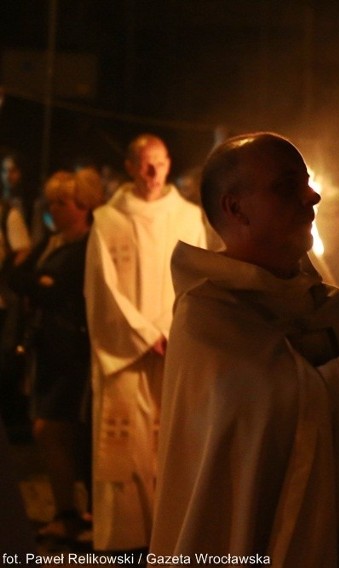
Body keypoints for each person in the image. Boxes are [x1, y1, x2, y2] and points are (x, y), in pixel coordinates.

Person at [149, 132, 339, 566]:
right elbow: (260, 410)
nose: (313, 196)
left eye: (306, 182)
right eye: (287, 187)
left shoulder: (335, 307)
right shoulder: (206, 317)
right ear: (236, 208)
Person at [85, 133, 207, 552]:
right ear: (131, 166)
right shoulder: (108, 219)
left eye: (160, 162)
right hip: (129, 352)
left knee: (172, 444)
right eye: (145, 163)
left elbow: (199, 282)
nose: (154, 171)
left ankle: (173, 536)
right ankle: (126, 542)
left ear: (169, 164)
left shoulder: (190, 217)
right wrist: (145, 334)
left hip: (177, 345)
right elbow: (102, 289)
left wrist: (175, 332)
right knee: (127, 448)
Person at [12, 168, 103, 543]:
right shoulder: (51, 241)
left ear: (83, 206)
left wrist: (39, 284)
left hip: (70, 353)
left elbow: (57, 290)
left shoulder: (86, 246)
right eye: (50, 203)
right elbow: (17, 276)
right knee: (57, 433)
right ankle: (71, 511)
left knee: (54, 431)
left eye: (61, 203)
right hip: (47, 350)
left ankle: (73, 513)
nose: (54, 210)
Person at [0, 150, 34, 443]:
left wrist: (6, 266)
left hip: (3, 299)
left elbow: (23, 247)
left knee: (6, 357)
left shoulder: (7, 212)